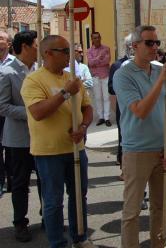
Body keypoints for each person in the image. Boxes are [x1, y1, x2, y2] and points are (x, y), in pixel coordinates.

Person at [21, 35, 93, 248]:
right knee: (53, 201)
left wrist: (83, 127)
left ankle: (79, 236)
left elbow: (87, 108)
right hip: (48, 152)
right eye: (64, 51)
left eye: (69, 50)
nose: (69, 55)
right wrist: (64, 93)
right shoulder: (34, 80)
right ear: (47, 53)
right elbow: (38, 112)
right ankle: (57, 243)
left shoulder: (73, 79)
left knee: (79, 196)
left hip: (76, 148)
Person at [113, 25, 166, 248]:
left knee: (160, 208)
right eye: (149, 43)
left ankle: (159, 245)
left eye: (157, 42)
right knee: (132, 211)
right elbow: (140, 111)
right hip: (137, 150)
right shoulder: (123, 74)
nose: (155, 47)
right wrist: (160, 80)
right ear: (135, 46)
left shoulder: (161, 68)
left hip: (163, 150)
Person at [0, 31, 41, 242]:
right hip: (18, 139)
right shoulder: (7, 72)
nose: (39, 48)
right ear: (25, 47)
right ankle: (20, 222)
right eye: (36, 44)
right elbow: (2, 106)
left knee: (45, 179)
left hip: (42, 137)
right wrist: (31, 112)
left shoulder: (40, 69)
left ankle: (47, 217)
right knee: (19, 183)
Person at [108, 33, 133, 168]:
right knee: (123, 134)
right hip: (124, 106)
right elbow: (111, 88)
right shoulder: (117, 65)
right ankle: (123, 163)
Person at [0, 29, 16, 196]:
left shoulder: (14, 63)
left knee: (10, 148)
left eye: (1, 38)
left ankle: (12, 180)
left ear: (9, 43)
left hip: (10, 111)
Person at [87, 32, 111, 127]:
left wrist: (96, 61)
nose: (96, 39)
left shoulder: (106, 49)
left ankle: (107, 117)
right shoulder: (89, 51)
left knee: (106, 97)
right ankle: (101, 117)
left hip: (105, 75)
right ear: (92, 39)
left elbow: (106, 61)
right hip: (95, 76)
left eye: (98, 37)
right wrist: (99, 57)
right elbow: (90, 63)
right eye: (94, 38)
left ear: (100, 38)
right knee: (98, 97)